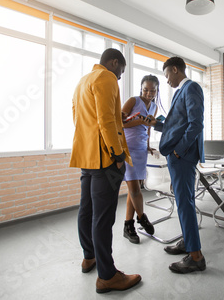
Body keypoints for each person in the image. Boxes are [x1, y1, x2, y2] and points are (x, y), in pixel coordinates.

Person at [70, 48, 141, 293]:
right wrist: (118, 154)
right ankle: (107, 276)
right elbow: (107, 119)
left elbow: (77, 118)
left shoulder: (82, 82)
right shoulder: (106, 78)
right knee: (103, 217)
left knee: (86, 210)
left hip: (86, 157)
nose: (120, 77)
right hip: (105, 159)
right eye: (121, 71)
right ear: (113, 63)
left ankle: (89, 256)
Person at [150, 56, 206, 274]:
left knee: (185, 204)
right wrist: (155, 124)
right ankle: (187, 242)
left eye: (166, 76)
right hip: (178, 156)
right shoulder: (180, 93)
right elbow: (176, 126)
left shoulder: (191, 88)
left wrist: (177, 151)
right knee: (184, 202)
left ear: (175, 69)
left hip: (182, 156)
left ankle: (196, 256)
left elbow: (196, 125)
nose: (166, 81)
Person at [121, 75, 162, 244]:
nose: (149, 93)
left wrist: (147, 145)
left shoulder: (154, 107)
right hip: (128, 149)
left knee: (134, 191)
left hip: (141, 150)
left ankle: (128, 226)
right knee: (135, 189)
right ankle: (142, 217)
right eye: (146, 89)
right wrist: (137, 120)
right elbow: (120, 122)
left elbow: (149, 128)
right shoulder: (133, 101)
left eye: (152, 90)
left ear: (156, 91)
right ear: (141, 88)